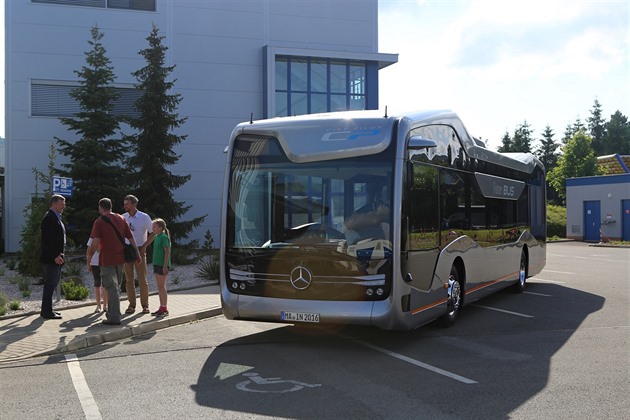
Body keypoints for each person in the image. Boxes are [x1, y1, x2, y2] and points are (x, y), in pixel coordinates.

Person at [86, 198, 141, 326]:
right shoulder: (121, 219)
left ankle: (114, 316)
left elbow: (95, 242)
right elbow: (130, 237)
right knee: (115, 287)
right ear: (111, 206)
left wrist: (89, 257)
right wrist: (137, 254)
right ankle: (112, 313)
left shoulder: (99, 222)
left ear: (101, 207)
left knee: (111, 287)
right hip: (120, 258)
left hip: (106, 259)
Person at [121, 194, 155, 314]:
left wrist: (144, 246)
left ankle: (145, 305)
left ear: (134, 204)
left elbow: (152, 233)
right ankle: (131, 305)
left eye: (127, 204)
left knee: (142, 279)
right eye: (124, 204)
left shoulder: (144, 217)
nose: (125, 206)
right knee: (129, 280)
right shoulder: (123, 217)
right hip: (127, 250)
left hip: (140, 249)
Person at [39, 194, 66, 320]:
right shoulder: (49, 218)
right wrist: (55, 255)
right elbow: (47, 240)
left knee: (52, 283)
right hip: (52, 258)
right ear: (54, 204)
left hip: (57, 257)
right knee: (50, 284)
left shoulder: (55, 217)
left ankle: (47, 310)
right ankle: (47, 312)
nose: (63, 207)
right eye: (61, 204)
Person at [151, 218, 171, 317]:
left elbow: (167, 252)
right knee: (159, 286)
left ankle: (164, 308)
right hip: (156, 263)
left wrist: (165, 266)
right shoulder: (156, 237)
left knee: (162, 286)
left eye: (154, 227)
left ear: (160, 227)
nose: (152, 228)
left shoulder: (163, 237)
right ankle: (161, 307)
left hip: (162, 265)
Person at [86, 237, 107, 313]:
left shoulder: (106, 236)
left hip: (105, 263)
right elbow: (88, 252)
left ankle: (105, 305)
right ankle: (98, 305)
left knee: (105, 284)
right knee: (97, 283)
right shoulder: (92, 238)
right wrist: (88, 264)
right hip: (95, 263)